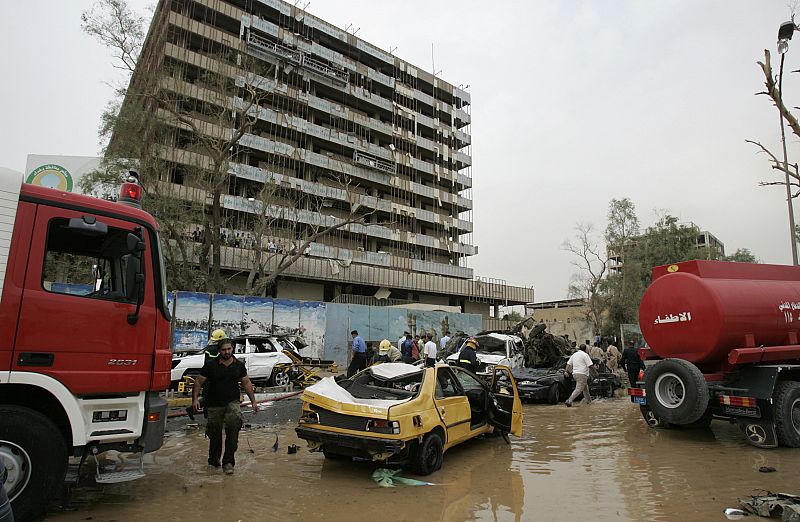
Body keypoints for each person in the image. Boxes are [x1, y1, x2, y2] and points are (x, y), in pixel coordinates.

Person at [192, 339, 258, 474]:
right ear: (219, 351)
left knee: (233, 429)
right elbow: (198, 381)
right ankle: (214, 461)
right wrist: (195, 400)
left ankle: (228, 462)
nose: (226, 352)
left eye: (229, 349)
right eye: (223, 350)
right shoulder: (211, 365)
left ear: (232, 348)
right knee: (215, 434)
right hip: (214, 404)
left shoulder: (238, 366)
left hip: (232, 402)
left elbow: (246, 383)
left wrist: (253, 402)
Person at [185, 329, 228, 420]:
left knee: (209, 396)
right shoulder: (214, 350)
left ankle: (206, 413)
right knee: (209, 397)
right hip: (211, 378)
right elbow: (216, 363)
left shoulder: (210, 348)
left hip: (208, 376)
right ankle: (192, 410)